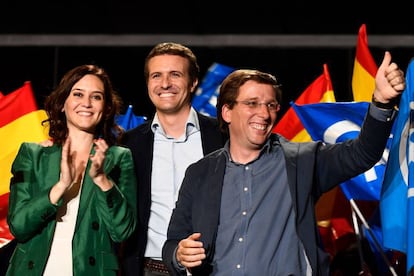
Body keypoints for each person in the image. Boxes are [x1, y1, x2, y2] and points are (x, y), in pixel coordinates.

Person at [162, 51, 406, 276]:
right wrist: (180, 255)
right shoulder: (200, 172)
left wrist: (381, 103)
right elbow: (172, 243)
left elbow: (361, 153)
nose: (264, 113)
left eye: (271, 105)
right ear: (227, 112)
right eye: (252, 103)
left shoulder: (303, 161)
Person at [6, 64, 137, 276]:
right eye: (78, 94)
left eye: (96, 97)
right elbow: (19, 226)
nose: (86, 103)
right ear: (62, 104)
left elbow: (122, 231)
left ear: (105, 108)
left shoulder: (119, 158)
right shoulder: (33, 154)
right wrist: (60, 186)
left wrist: (102, 180)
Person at [119, 42, 227, 276]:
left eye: (175, 74)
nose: (165, 83)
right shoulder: (128, 144)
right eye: (156, 75)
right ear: (148, 83)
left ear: (193, 82)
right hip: (150, 269)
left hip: (216, 268)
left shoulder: (223, 136)